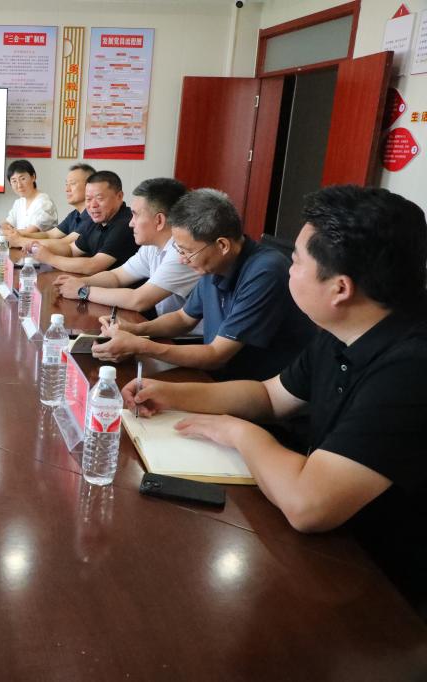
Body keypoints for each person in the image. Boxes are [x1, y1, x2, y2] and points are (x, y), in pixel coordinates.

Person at [123, 186, 427, 618]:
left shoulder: (409, 366)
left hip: (382, 586)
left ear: (340, 288)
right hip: (333, 549)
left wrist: (237, 431)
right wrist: (170, 393)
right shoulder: (339, 331)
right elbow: (269, 394)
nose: (288, 269)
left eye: (297, 261)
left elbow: (308, 505)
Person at [92, 188, 313, 381]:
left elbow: (217, 355)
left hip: (254, 388)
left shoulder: (265, 272)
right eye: (179, 250)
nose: (182, 260)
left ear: (222, 245)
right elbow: (183, 318)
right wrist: (136, 330)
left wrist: (140, 345)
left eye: (187, 251)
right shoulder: (213, 263)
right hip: (217, 377)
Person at [54, 178, 201, 324]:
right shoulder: (152, 246)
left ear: (159, 221)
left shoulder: (182, 252)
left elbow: (139, 300)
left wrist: (83, 291)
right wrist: (79, 282)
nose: (131, 223)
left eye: (135, 215)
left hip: (187, 337)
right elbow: (117, 277)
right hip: (161, 326)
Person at [26, 170, 137, 276]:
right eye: (88, 199)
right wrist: (38, 247)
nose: (93, 205)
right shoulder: (95, 220)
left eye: (99, 198)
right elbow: (71, 250)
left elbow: (94, 265)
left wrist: (50, 258)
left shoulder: (126, 224)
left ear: (119, 196)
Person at [3, 163, 95, 246]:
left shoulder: (92, 216)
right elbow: (49, 234)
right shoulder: (74, 215)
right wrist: (17, 235)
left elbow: (64, 243)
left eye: (72, 183)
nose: (67, 189)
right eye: (66, 184)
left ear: (90, 186)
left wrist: (20, 241)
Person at [0, 159, 59, 235]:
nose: (19, 185)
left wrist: (0, 232)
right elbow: (8, 223)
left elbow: (30, 232)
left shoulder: (44, 202)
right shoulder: (19, 202)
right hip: (20, 242)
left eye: (23, 179)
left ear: (33, 177)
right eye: (14, 181)